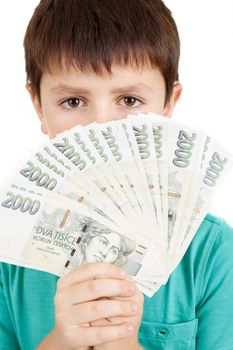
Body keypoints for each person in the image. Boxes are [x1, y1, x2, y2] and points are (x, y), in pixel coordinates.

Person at [0, 0, 233, 349]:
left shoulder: (213, 251)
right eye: (74, 102)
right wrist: (62, 341)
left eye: (129, 100)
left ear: (168, 105)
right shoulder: (8, 254)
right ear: (39, 107)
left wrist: (122, 342)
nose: (102, 128)